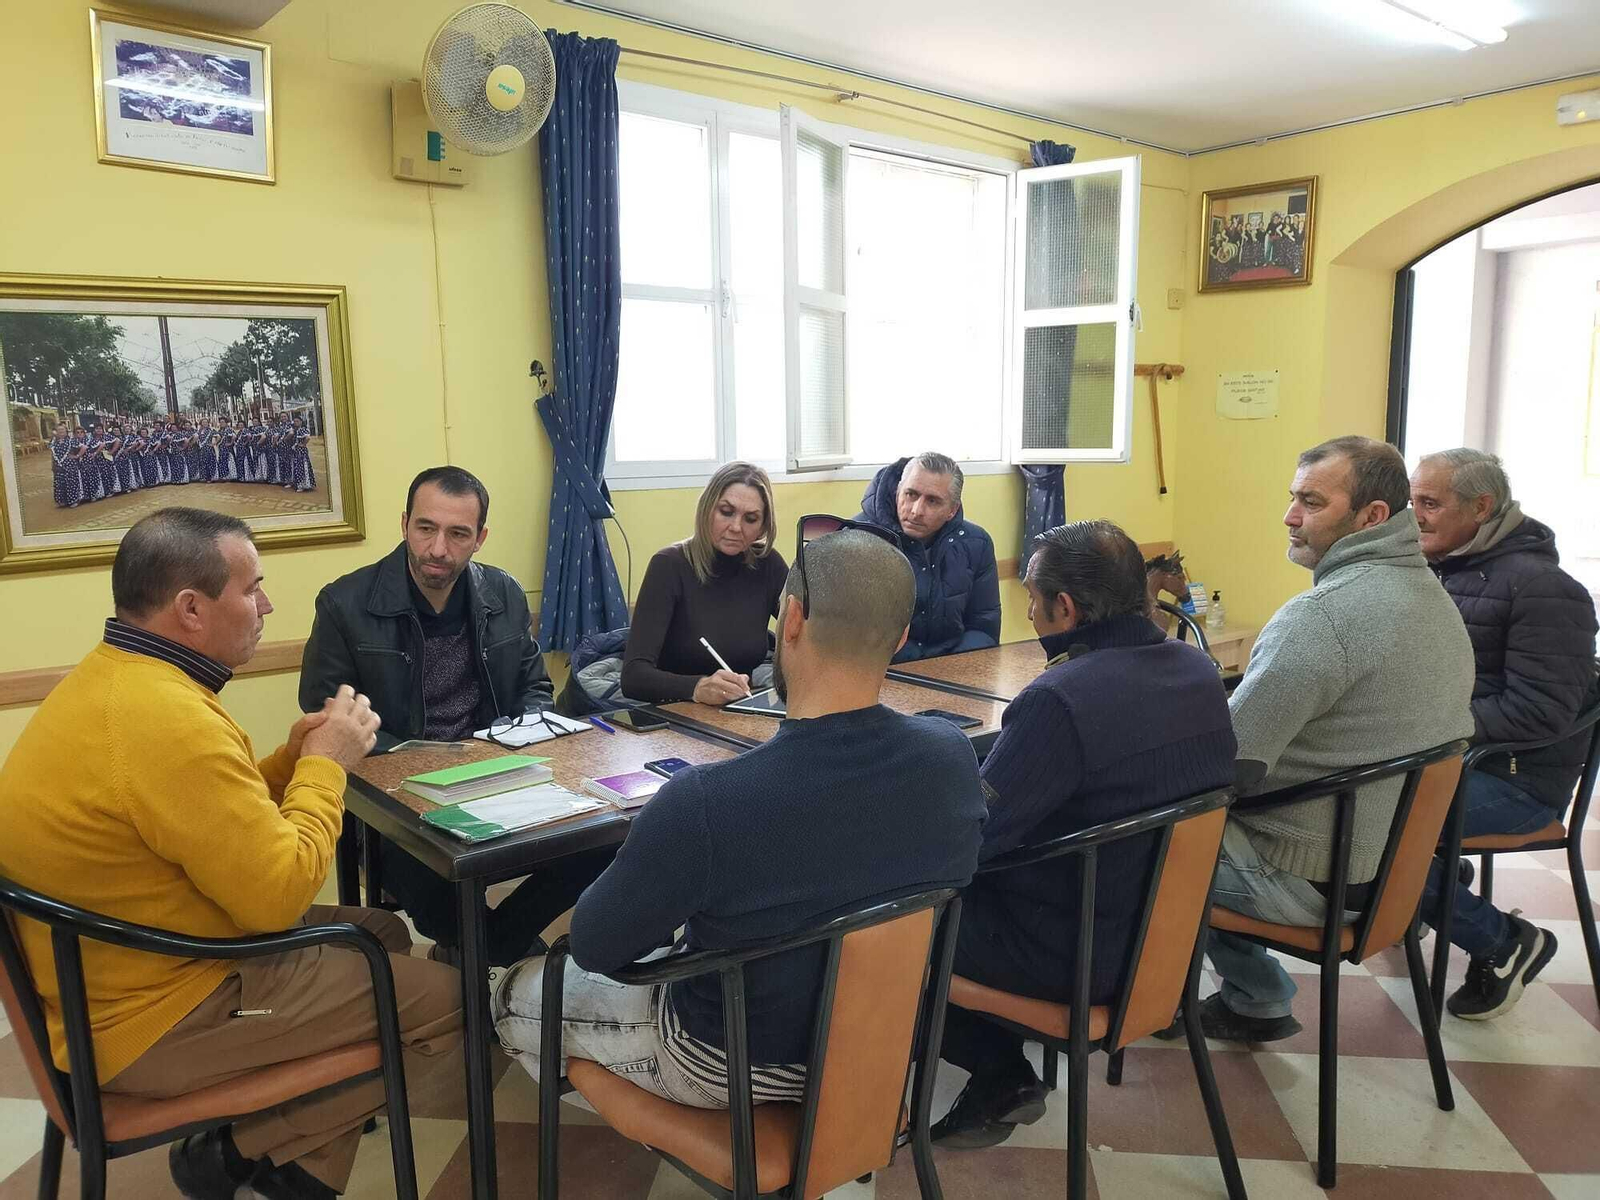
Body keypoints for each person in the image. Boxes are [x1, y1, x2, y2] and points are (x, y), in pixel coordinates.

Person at [0, 508, 462, 1200]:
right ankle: (240, 1151)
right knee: (453, 1001)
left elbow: (207, 810)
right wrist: (327, 765)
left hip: (129, 965)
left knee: (386, 932)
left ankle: (293, 1172)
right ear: (191, 608)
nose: (266, 605)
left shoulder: (121, 677)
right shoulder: (168, 721)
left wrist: (293, 758)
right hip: (158, 1016)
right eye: (252, 589)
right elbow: (278, 892)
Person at [493, 528, 985, 1105]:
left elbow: (596, 946)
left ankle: (655, 1117)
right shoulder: (953, 755)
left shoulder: (705, 799)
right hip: (884, 1044)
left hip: (726, 1061)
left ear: (793, 618)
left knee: (513, 990)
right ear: (901, 637)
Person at [931, 521, 1238, 1148]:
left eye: (1035, 606)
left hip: (1073, 958)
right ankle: (1000, 1072)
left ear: (1063, 609)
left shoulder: (1060, 698)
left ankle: (995, 1068)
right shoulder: (1197, 669)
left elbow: (975, 839)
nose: (1034, 619)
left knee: (882, 919)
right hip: (1166, 943)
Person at [1182, 436, 1475, 1042]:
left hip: (1313, 880)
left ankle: (1118, 1004)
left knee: (1128, 837)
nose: (1289, 516)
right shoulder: (1435, 600)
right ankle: (1254, 997)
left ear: (1370, 517)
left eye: (1311, 502)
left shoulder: (1321, 617)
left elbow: (1223, 766)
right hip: (1394, 870)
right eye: (1293, 498)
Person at [300, 466, 595, 967]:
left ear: (479, 538)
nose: (438, 548)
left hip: (498, 775)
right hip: (397, 800)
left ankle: (492, 945)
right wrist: (415, 765)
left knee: (605, 841)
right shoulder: (345, 603)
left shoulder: (503, 594)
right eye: (426, 528)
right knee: (441, 899)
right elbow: (325, 714)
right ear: (404, 524)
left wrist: (517, 741)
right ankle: (502, 948)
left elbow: (535, 688)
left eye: (457, 533)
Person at [1411, 448, 1598, 1019]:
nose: (1412, 514)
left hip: (1517, 781)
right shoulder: (1441, 569)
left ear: (1481, 506)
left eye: (1429, 503)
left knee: (1370, 830)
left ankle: (1505, 942)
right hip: (1448, 762)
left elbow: (1540, 711)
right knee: (1339, 810)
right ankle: (1439, 880)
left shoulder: (1546, 589)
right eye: (1411, 500)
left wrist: (1423, 724)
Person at [621, 461, 787, 704]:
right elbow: (633, 677)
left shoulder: (768, 564)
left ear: (763, 526)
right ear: (707, 508)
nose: (735, 527)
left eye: (750, 518)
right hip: (676, 714)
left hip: (741, 710)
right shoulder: (669, 565)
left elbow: (806, 636)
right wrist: (697, 687)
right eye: (726, 512)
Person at [855, 451, 1000, 662]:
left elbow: (984, 628)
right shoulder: (856, 542)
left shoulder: (977, 544)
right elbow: (850, 639)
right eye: (910, 494)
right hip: (880, 673)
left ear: (952, 510)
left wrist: (946, 668)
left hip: (955, 670)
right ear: (897, 492)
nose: (916, 510)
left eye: (932, 501)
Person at [49, 424, 81, 509]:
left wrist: (77, 456)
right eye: (59, 430)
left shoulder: (72, 440)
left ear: (66, 431)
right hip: (58, 466)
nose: (61, 432)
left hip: (70, 466)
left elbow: (83, 447)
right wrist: (52, 465)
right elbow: (52, 454)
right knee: (59, 483)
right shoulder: (53, 442)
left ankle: (73, 500)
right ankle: (62, 501)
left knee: (71, 483)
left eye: (62, 430)